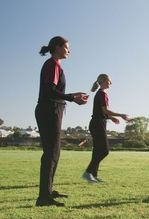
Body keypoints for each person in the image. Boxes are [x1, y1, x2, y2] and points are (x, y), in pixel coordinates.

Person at [35, 36, 88, 207]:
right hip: (49, 111)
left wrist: (73, 96)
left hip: (51, 110)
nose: (69, 51)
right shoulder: (53, 65)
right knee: (51, 153)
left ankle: (48, 191)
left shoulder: (55, 65)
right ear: (57, 47)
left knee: (54, 152)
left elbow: (54, 91)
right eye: (66, 47)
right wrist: (72, 98)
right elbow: (49, 91)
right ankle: (43, 197)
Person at [82, 74, 129, 183]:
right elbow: (105, 111)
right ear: (103, 81)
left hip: (97, 123)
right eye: (109, 81)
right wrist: (121, 115)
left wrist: (111, 118)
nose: (110, 83)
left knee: (97, 150)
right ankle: (88, 173)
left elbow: (102, 112)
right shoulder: (102, 94)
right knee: (104, 151)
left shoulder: (100, 94)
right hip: (98, 124)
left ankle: (93, 175)